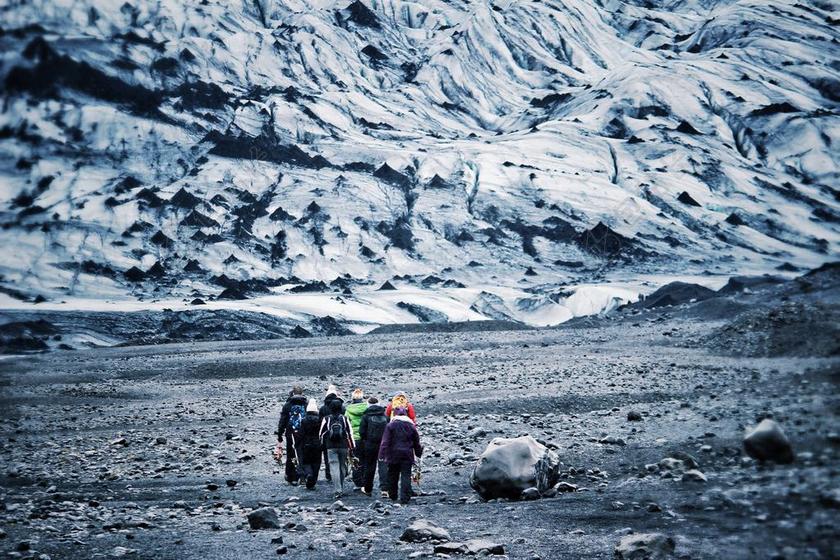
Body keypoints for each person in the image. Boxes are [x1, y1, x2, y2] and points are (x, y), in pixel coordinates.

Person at [379, 406, 423, 504]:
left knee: (392, 474)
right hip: (407, 454)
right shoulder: (411, 426)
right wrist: (418, 453)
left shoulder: (390, 426)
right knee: (406, 475)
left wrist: (382, 454)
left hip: (393, 454)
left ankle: (393, 495)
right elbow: (416, 442)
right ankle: (405, 498)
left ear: (395, 414)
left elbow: (385, 441)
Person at [319, 398, 354, 499]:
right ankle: (340, 486)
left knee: (334, 467)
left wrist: (322, 445)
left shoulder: (327, 419)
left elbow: (321, 433)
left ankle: (337, 489)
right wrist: (352, 446)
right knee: (342, 466)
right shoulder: (344, 418)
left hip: (331, 446)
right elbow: (350, 433)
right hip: (343, 446)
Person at [277, 386, 308, 485]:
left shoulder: (288, 405)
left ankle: (292, 476)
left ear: (292, 393)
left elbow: (283, 420)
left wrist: (280, 434)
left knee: (291, 454)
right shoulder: (306, 404)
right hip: (303, 433)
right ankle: (303, 476)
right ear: (302, 393)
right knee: (302, 453)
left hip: (290, 433)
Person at [358, 396, 388, 496]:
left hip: (370, 444)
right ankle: (385, 489)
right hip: (383, 445)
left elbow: (361, 432)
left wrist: (365, 440)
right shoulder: (385, 416)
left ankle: (368, 489)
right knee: (383, 466)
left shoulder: (365, 416)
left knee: (369, 466)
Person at [319, 385, 344, 482]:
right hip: (341, 437)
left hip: (327, 437)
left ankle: (329, 474)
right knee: (341, 457)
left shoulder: (323, 408)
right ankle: (340, 475)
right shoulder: (342, 407)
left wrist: (320, 437)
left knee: (327, 456)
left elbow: (320, 423)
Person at [296, 399, 322, 489]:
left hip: (306, 445)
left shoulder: (304, 421)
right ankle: (313, 481)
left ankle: (309, 474)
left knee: (306, 462)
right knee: (316, 463)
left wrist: (297, 444)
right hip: (317, 445)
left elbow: (301, 434)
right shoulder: (320, 420)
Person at [345, 388, 368, 488]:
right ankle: (365, 480)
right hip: (366, 438)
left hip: (354, 439)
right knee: (365, 459)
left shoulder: (348, 410)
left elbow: (346, 424)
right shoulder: (367, 408)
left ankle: (358, 481)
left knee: (355, 460)